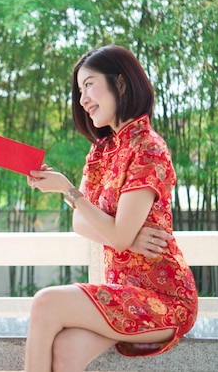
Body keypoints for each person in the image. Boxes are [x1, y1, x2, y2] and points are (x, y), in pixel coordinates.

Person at [26, 45, 198, 371]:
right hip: (123, 292)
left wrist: (67, 190)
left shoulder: (148, 148)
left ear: (120, 83)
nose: (82, 99)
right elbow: (81, 224)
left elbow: (109, 231)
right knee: (65, 350)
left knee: (45, 302)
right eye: (79, 90)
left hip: (164, 299)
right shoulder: (102, 151)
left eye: (89, 84)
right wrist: (127, 238)